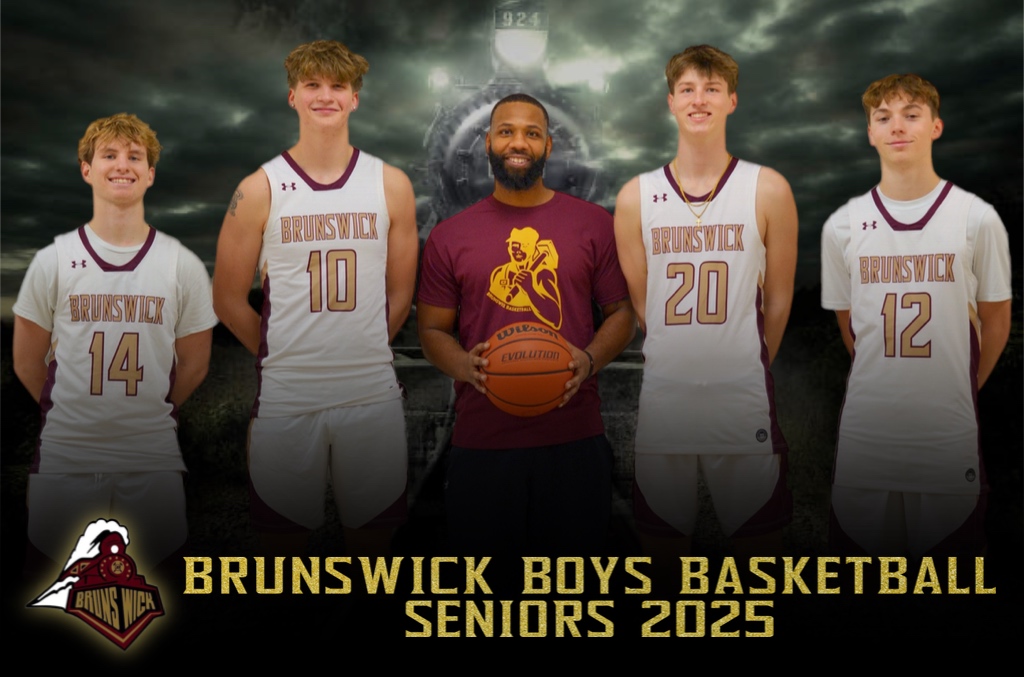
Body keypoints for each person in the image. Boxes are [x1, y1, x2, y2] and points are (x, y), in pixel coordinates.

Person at [212, 40, 418, 555]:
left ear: (354, 100)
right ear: (292, 96)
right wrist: (280, 355)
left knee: (373, 555)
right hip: (287, 399)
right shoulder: (259, 187)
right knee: (282, 555)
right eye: (312, 85)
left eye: (338, 86)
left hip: (371, 396)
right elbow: (227, 299)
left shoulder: (391, 184)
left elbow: (400, 293)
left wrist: (362, 349)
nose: (325, 95)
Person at [418, 93, 636, 556]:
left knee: (571, 590)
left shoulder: (594, 224)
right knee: (488, 592)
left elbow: (622, 315)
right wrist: (462, 365)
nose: (519, 142)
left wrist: (590, 358)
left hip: (575, 438)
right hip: (482, 440)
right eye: (506, 131)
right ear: (488, 143)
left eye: (532, 133)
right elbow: (433, 330)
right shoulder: (450, 236)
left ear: (548, 146)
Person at [614, 45, 798, 559]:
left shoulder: (768, 189)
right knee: (662, 558)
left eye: (712, 88)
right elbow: (645, 305)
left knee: (760, 555)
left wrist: (742, 362)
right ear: (670, 102)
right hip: (665, 404)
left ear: (732, 101)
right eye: (689, 89)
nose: (700, 99)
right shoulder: (636, 196)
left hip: (740, 402)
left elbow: (779, 302)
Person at [12, 113, 217, 570]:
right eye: (109, 155)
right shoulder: (53, 260)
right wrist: (75, 414)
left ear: (150, 173)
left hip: (151, 457)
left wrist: (148, 413)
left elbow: (195, 365)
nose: (122, 165)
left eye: (134, 156)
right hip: (67, 456)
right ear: (86, 169)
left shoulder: (181, 264)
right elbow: (27, 362)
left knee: (149, 603)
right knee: (58, 595)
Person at [820, 73, 1012, 556]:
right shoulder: (841, 225)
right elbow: (851, 330)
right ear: (870, 132)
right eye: (883, 117)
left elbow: (996, 320)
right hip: (868, 434)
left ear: (936, 127)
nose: (897, 126)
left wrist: (959, 391)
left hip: (946, 436)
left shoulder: (977, 217)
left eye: (911, 114)